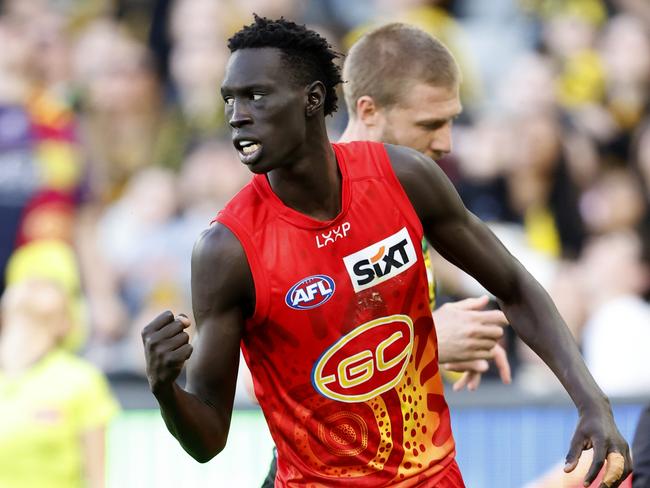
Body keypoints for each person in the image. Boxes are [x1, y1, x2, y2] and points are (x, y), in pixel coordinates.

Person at [142, 16, 631, 487]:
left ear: (313, 100)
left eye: (256, 96)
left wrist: (592, 402)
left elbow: (515, 286)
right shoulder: (225, 249)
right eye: (230, 99)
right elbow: (209, 438)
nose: (236, 116)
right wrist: (166, 388)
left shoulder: (404, 177)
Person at [0, 278, 119, 488]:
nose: (32, 285)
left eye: (46, 286)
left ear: (65, 323)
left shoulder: (82, 380)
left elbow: (97, 480)